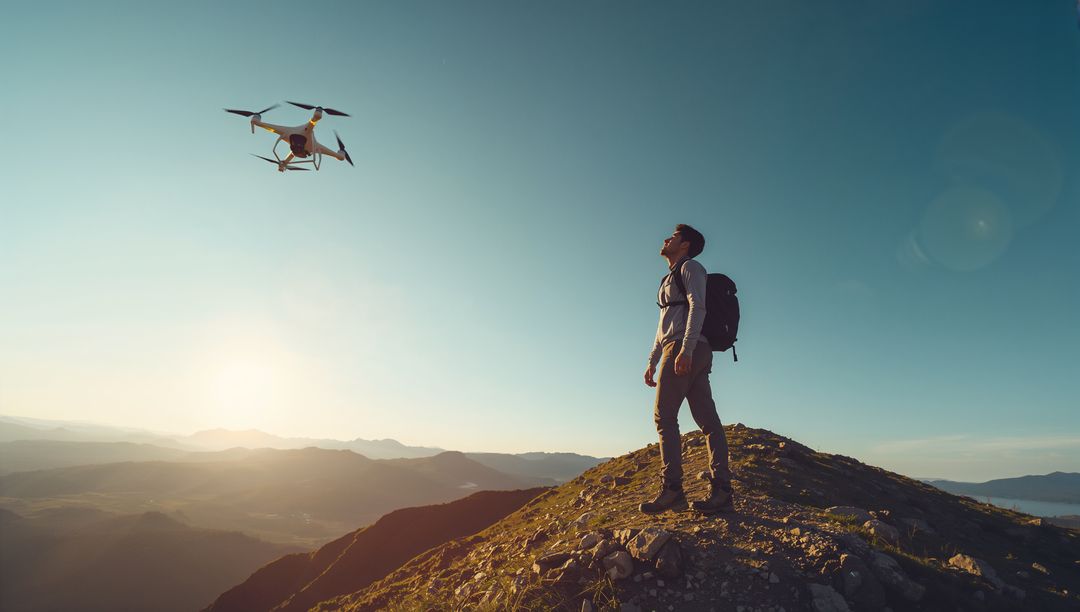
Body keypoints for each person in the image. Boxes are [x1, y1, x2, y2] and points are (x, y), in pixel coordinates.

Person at [639, 224, 735, 514]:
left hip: (686, 347)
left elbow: (699, 307)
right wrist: (651, 361)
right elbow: (662, 327)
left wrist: (686, 349)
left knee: (664, 417)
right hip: (685, 348)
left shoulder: (691, 267)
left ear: (686, 244)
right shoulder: (668, 277)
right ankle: (722, 492)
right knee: (708, 422)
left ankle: (672, 490)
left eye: (674, 236)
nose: (667, 238)